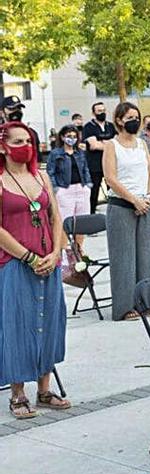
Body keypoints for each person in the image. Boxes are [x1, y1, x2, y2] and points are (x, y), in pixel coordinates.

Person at [0, 121, 70, 419]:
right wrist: (28, 257)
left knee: (50, 321)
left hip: (48, 262)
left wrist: (55, 253)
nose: (24, 146)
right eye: (17, 141)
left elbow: (55, 216)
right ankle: (18, 394)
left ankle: (44, 388)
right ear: (3, 146)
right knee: (17, 324)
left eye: (27, 140)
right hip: (15, 263)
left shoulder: (41, 176)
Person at [102, 102, 150, 321]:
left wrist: (149, 197)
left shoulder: (142, 144)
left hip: (145, 203)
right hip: (122, 205)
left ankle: (146, 301)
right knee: (124, 258)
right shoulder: (111, 145)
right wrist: (133, 200)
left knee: (145, 255)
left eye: (137, 116)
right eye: (129, 117)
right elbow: (111, 178)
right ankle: (124, 307)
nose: (134, 120)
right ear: (119, 120)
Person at [46, 125, 92, 255]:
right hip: (64, 190)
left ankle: (79, 250)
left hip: (81, 189)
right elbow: (50, 172)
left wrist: (88, 184)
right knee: (64, 222)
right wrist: (56, 189)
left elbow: (85, 169)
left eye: (74, 136)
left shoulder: (80, 153)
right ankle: (65, 251)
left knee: (81, 221)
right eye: (69, 136)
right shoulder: (56, 153)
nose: (72, 139)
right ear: (62, 137)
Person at [82, 101, 117, 214]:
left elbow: (116, 143)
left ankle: (115, 213)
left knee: (113, 190)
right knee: (94, 192)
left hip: (110, 164)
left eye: (103, 110)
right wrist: (108, 144)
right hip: (94, 165)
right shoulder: (88, 127)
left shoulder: (111, 126)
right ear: (93, 113)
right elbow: (93, 145)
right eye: (99, 111)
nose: (102, 113)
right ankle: (91, 214)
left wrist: (102, 143)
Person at [3, 96, 41, 161]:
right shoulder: (1, 133)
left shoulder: (31, 133)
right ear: (2, 112)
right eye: (12, 109)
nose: (16, 111)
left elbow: (37, 160)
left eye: (19, 108)